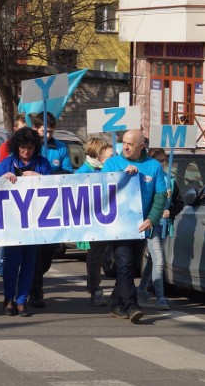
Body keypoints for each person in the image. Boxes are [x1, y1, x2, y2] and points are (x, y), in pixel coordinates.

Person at [101, 129, 167, 324]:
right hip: (118, 224)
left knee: (128, 268)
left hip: (141, 226)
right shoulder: (112, 163)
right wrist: (122, 176)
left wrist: (152, 218)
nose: (126, 147)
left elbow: (160, 195)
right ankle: (132, 305)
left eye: (131, 144)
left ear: (141, 146)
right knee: (125, 263)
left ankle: (115, 303)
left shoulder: (153, 166)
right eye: (124, 143)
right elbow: (102, 189)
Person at [0, 127, 52, 317]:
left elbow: (56, 188)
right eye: (22, 147)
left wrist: (41, 178)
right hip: (12, 221)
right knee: (12, 261)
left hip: (35, 220)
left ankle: (22, 300)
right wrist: (2, 179)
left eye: (30, 147)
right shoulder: (7, 163)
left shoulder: (42, 163)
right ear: (16, 147)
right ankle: (8, 298)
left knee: (29, 261)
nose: (26, 151)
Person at [27, 112, 73, 308]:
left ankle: (31, 278)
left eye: (51, 131)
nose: (47, 135)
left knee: (48, 251)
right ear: (36, 128)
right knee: (35, 252)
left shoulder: (61, 148)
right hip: (30, 206)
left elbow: (68, 173)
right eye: (44, 131)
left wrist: (46, 177)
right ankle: (35, 291)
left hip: (53, 207)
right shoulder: (29, 147)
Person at [137, 148, 183, 311]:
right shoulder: (147, 178)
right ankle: (160, 297)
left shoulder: (170, 179)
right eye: (157, 161)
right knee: (159, 259)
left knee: (152, 259)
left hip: (164, 225)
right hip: (151, 225)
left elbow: (179, 202)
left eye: (163, 161)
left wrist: (170, 212)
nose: (161, 164)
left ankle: (142, 289)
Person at [75, 138, 113, 306]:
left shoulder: (108, 169)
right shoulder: (83, 172)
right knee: (95, 257)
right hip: (94, 220)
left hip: (110, 218)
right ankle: (95, 288)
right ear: (97, 154)